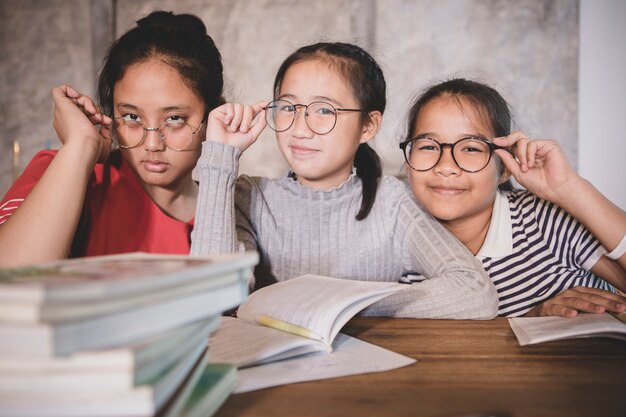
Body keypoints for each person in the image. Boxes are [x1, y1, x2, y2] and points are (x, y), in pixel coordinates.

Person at [191, 42, 498, 319]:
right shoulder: (249, 195)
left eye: (324, 110)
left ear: (368, 125)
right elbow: (211, 299)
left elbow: (474, 293)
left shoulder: (391, 202)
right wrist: (220, 157)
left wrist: (345, 306)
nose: (300, 128)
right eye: (288, 107)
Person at [0, 11, 224, 267]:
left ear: (215, 117)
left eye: (174, 119)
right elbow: (8, 281)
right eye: (131, 116)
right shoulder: (65, 171)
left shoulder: (230, 212)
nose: (152, 144)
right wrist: (81, 144)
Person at [400, 78, 626, 317]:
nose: (446, 167)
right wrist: (531, 320)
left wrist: (568, 188)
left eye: (471, 148)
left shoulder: (543, 219)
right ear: (408, 160)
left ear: (505, 168)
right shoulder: (397, 239)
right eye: (428, 146)